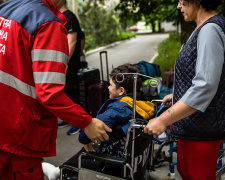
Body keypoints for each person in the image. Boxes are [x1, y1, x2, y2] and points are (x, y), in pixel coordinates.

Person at [0, 0, 111, 179]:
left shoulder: (6, 10)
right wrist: (87, 122)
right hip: (18, 134)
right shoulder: (47, 23)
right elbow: (49, 93)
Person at [144, 0, 225, 179]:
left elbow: (205, 85)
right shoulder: (202, 27)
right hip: (194, 124)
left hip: (202, 128)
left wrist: (163, 120)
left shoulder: (210, 30)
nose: (178, 6)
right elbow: (206, 76)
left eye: (182, 1)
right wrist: (178, 94)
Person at [42, 63, 155, 180]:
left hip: (111, 165)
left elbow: (87, 133)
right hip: (133, 162)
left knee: (86, 148)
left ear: (121, 90)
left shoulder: (117, 109)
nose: (108, 88)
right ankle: (57, 171)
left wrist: (85, 135)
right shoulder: (144, 105)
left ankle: (59, 172)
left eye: (110, 85)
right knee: (92, 145)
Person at [57, 1, 84, 135]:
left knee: (73, 91)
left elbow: (72, 41)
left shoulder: (70, 17)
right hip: (61, 62)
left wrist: (64, 62)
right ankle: (69, 118)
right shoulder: (57, 16)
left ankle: (79, 122)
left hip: (70, 62)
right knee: (65, 91)